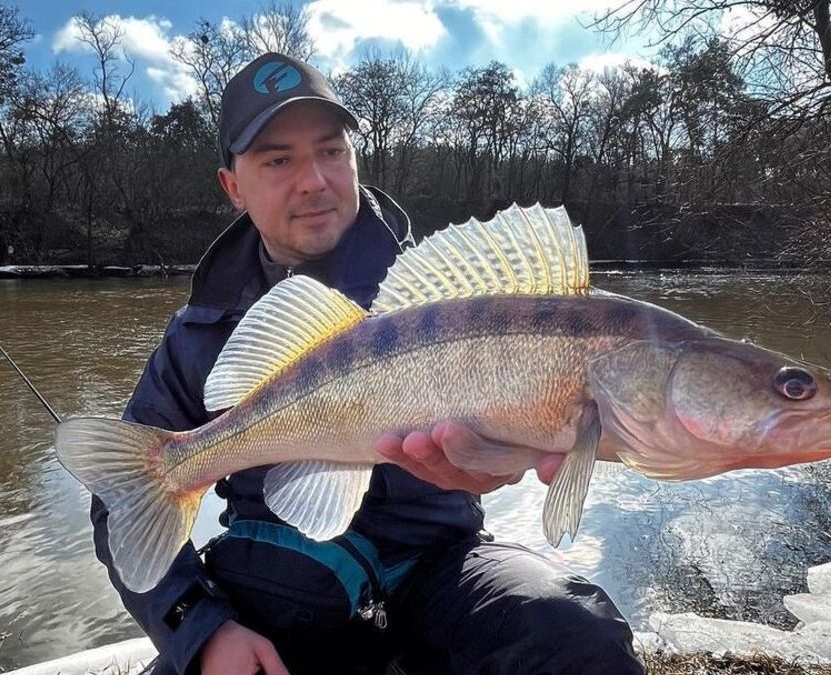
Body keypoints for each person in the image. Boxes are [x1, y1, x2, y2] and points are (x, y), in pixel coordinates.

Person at [90, 52, 645, 675]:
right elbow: (124, 494)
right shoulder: (198, 336)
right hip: (272, 584)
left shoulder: (449, 299)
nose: (314, 180)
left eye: (331, 151)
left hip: (441, 569)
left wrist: (499, 459)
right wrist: (200, 627)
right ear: (233, 186)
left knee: (573, 635)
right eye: (278, 160)